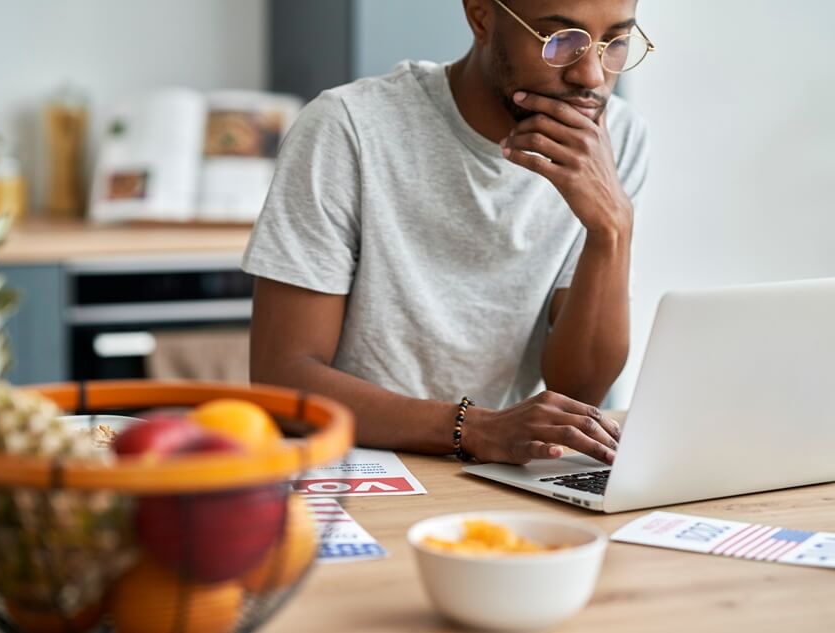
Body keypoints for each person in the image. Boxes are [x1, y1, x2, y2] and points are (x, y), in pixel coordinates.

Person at [243, 0, 652, 466]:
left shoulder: (615, 138)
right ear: (480, 17)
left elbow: (577, 390)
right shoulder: (347, 127)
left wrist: (611, 230)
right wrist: (477, 428)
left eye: (614, 43)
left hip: (497, 468)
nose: (592, 76)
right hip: (352, 467)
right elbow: (284, 378)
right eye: (560, 41)